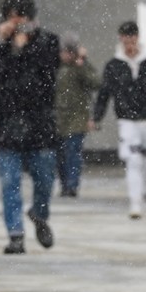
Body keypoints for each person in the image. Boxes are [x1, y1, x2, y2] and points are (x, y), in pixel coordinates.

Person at [0, 0, 64, 254]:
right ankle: (15, 233)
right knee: (9, 181)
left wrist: (24, 49)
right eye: (11, 17)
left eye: (21, 17)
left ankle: (39, 214)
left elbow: (45, 78)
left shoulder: (48, 41)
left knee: (44, 178)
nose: (16, 23)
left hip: (39, 123)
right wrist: (2, 42)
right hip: (7, 122)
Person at [91, 21, 146, 218]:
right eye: (125, 41)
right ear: (120, 39)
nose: (129, 45)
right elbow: (104, 93)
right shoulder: (114, 65)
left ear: (137, 38)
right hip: (127, 120)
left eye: (131, 40)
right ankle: (135, 202)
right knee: (133, 160)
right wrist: (97, 117)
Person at [52, 33, 100, 199]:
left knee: (73, 151)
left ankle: (71, 185)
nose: (66, 55)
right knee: (60, 154)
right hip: (58, 117)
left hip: (77, 116)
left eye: (69, 52)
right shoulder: (55, 67)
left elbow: (96, 82)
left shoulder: (81, 66)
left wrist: (82, 65)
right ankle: (65, 184)